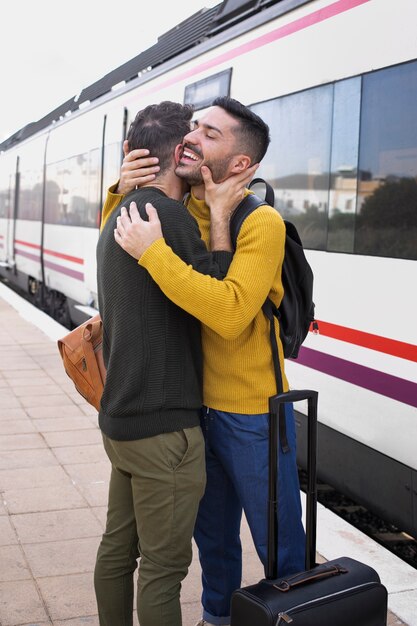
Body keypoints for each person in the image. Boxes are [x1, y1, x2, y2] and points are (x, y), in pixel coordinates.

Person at [103, 97, 306, 626]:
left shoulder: (263, 225)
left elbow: (231, 313)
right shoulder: (181, 203)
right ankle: (217, 618)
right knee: (213, 544)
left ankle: (298, 614)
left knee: (279, 544)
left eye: (210, 134)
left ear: (242, 165)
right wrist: (122, 191)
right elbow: (119, 256)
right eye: (193, 127)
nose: (192, 137)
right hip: (193, 411)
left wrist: (166, 249)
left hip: (251, 412)